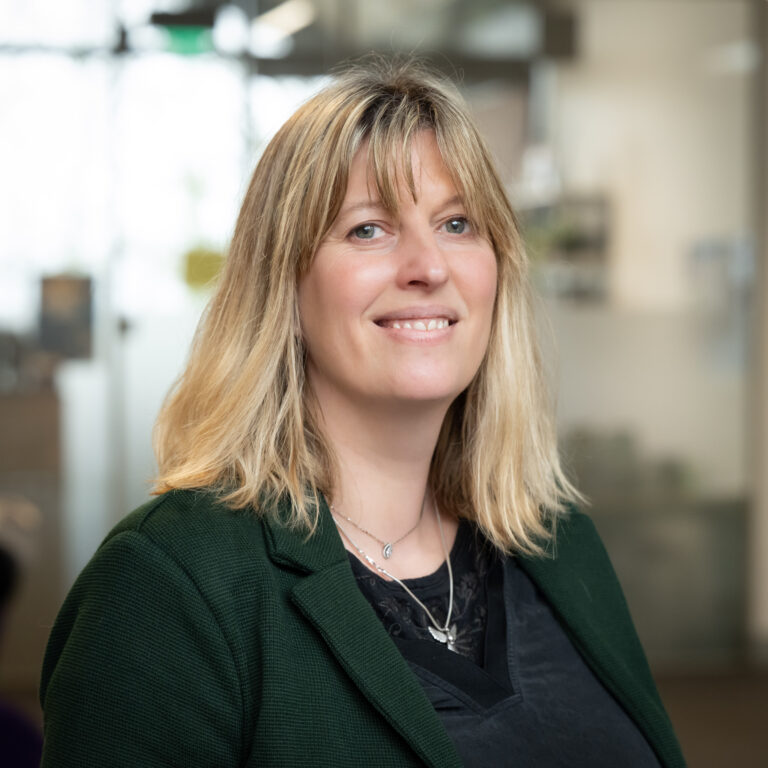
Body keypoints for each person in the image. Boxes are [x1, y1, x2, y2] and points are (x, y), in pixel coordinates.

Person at [39, 59, 686, 767]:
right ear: (282, 285)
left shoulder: (556, 539)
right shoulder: (167, 587)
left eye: (457, 223)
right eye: (369, 229)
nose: (428, 265)